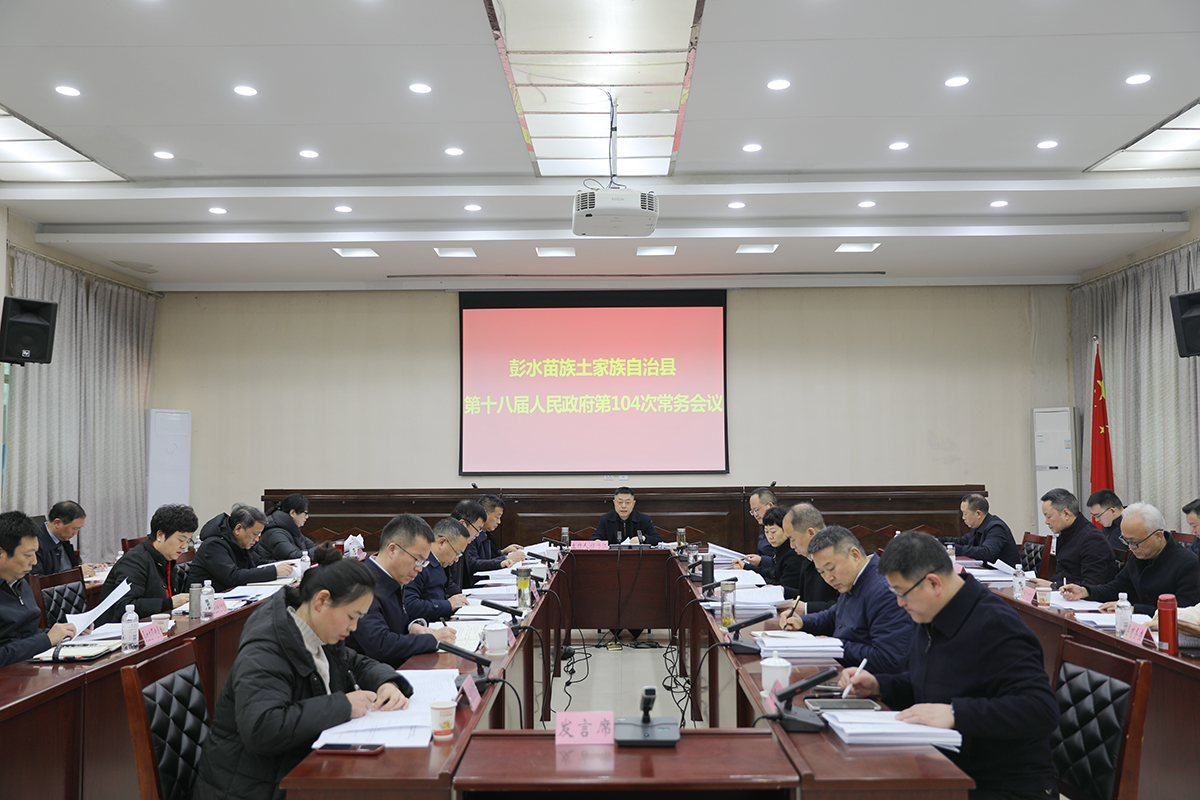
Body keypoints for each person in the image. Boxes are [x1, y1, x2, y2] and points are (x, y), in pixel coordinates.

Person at [841, 531, 1058, 800]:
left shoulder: (995, 625)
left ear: (934, 583)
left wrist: (956, 713)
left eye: (902, 593)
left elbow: (1040, 709)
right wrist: (878, 684)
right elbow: (932, 683)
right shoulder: (929, 614)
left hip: (1004, 784)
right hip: (946, 766)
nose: (899, 603)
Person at [193, 551, 411, 800]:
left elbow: (354, 662)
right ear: (322, 601)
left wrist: (386, 682)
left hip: (296, 771)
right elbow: (263, 728)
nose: (354, 628)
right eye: (352, 616)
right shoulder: (266, 648)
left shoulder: (317, 630)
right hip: (251, 788)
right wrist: (343, 706)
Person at [779, 525, 914, 673]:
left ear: (855, 555)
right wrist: (802, 621)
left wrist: (836, 645)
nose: (828, 578)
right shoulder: (852, 579)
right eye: (821, 572)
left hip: (867, 680)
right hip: (845, 670)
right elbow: (834, 615)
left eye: (831, 569)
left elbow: (888, 659)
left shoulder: (884, 591)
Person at [346, 513, 458, 666]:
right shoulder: (363, 585)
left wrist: (412, 627)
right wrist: (432, 640)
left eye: (423, 562)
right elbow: (380, 644)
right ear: (392, 550)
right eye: (417, 560)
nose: (420, 568)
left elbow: (396, 621)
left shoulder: (393, 577)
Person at [1060, 502, 1200, 615]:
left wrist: (1135, 609)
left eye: (1135, 542)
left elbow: (1182, 613)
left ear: (1158, 536)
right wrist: (1085, 591)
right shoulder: (1138, 555)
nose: (1131, 548)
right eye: (1126, 541)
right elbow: (1117, 587)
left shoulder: (1188, 564)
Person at [96, 504, 198, 624]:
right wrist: (170, 603)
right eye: (181, 540)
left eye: (188, 541)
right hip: (120, 630)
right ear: (160, 535)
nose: (184, 546)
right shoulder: (134, 561)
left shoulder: (167, 559)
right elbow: (125, 606)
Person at [0, 510, 77, 667]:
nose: (34, 562)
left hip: (28, 669)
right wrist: (46, 640)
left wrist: (63, 632)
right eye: (28, 555)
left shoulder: (19, 582)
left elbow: (26, 634)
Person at [188, 503, 294, 592]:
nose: (257, 539)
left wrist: (285, 566)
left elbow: (259, 563)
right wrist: (274, 571)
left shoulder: (239, 542)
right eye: (255, 534)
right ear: (238, 529)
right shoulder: (213, 545)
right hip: (204, 602)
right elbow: (233, 577)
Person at [1029, 488, 1117, 589]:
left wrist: (1052, 585)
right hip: (1065, 593)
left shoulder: (1093, 540)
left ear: (1066, 514)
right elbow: (1061, 574)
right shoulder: (1065, 534)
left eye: (1049, 517)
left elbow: (1091, 585)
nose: (1046, 522)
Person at [777, 502, 839, 617]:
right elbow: (806, 595)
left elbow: (845, 606)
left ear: (811, 533)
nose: (791, 546)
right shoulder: (808, 557)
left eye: (793, 539)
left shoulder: (838, 557)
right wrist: (780, 591)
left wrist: (807, 608)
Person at [403, 518, 470, 622]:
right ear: (441, 542)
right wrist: (448, 605)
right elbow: (410, 605)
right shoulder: (419, 564)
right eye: (457, 553)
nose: (456, 559)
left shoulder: (441, 564)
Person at [733, 506, 803, 598]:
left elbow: (783, 587)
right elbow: (772, 573)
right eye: (766, 531)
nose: (770, 537)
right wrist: (746, 567)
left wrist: (757, 581)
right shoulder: (779, 547)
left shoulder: (794, 554)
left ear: (786, 529)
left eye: (773, 532)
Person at [939, 493, 1019, 566]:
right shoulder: (977, 526)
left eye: (965, 513)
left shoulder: (996, 527)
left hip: (1006, 574)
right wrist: (938, 542)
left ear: (978, 513)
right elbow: (962, 541)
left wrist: (955, 549)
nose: (963, 517)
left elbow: (987, 553)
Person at [464, 495, 524, 585]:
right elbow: (474, 564)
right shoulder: (470, 535)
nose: (499, 522)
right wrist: (506, 559)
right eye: (497, 517)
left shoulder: (486, 533)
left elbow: (488, 558)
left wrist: (502, 553)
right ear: (485, 513)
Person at [31, 500, 97, 578]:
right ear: (57, 523)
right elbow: (37, 581)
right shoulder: (34, 544)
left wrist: (88, 569)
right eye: (74, 528)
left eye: (78, 529)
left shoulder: (62, 538)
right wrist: (75, 574)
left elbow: (69, 568)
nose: (76, 533)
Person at [254, 494, 316, 561]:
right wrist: (320, 552)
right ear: (292, 513)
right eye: (305, 513)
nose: (307, 517)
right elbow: (294, 557)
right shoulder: (276, 533)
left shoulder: (292, 530)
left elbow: (314, 547)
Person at [592, 487, 661, 545]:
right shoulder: (606, 519)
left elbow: (658, 540)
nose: (623, 506)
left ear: (633, 504)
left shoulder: (643, 519)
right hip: (613, 556)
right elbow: (594, 538)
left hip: (636, 555)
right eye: (620, 502)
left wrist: (643, 538)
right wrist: (597, 541)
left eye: (627, 502)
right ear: (614, 503)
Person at [745, 487, 778, 571]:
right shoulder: (764, 524)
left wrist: (761, 560)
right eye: (752, 511)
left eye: (756, 510)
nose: (755, 515)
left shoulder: (784, 526)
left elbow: (784, 562)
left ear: (770, 506)